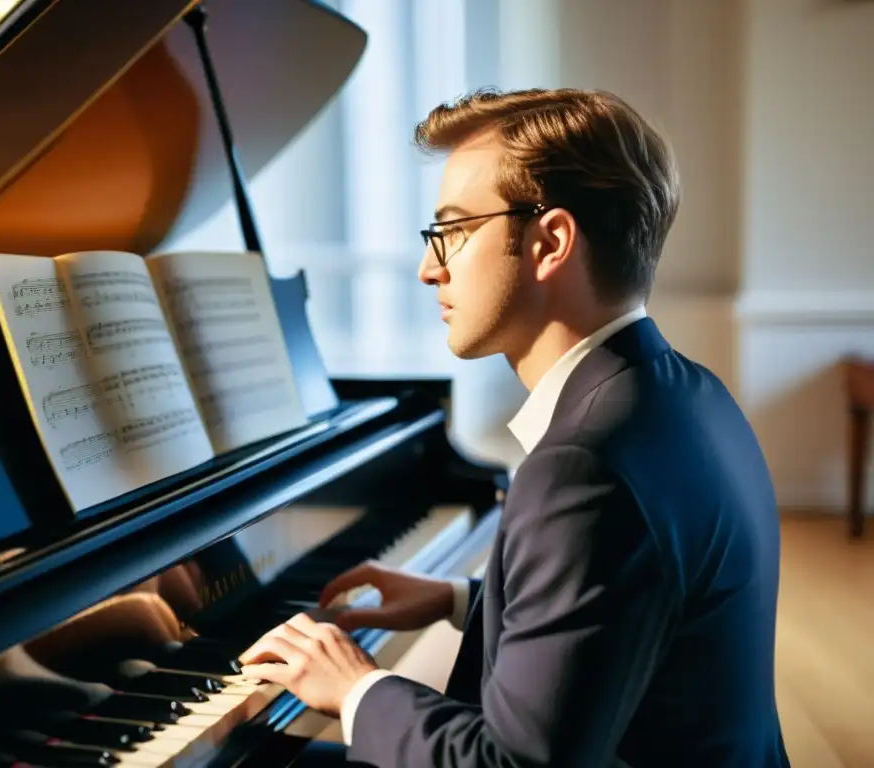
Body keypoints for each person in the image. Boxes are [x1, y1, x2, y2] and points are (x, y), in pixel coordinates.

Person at [239, 87, 791, 767]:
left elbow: (511, 764)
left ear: (550, 242)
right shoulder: (688, 395)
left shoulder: (583, 465)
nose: (428, 267)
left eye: (454, 230)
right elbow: (631, 618)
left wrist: (357, 689)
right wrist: (461, 599)